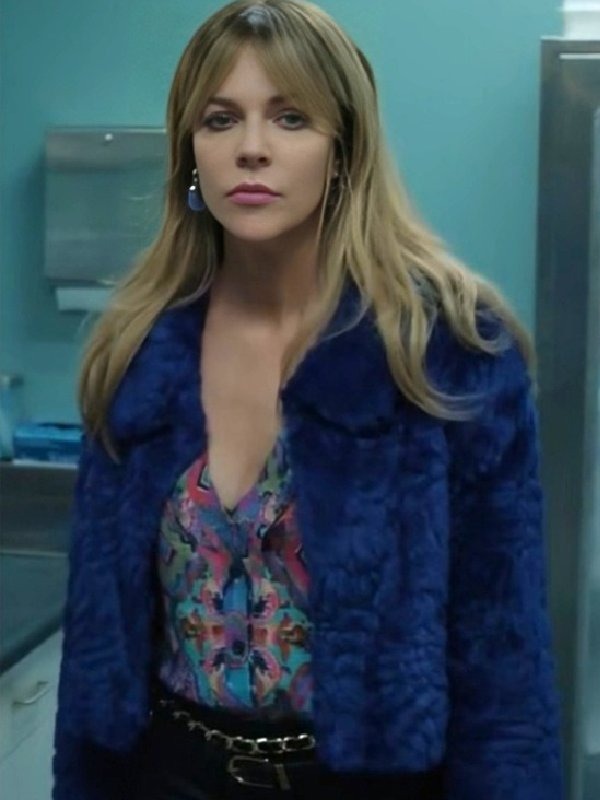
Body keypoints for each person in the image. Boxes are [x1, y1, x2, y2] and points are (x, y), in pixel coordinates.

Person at [52, 1, 564, 798]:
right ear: (190, 152)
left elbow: (504, 662)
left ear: (343, 149)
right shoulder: (135, 351)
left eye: (290, 118)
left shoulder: (447, 351)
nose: (251, 147)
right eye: (221, 119)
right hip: (168, 774)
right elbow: (94, 655)